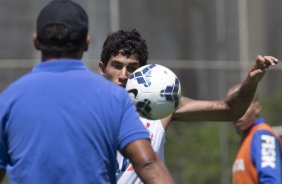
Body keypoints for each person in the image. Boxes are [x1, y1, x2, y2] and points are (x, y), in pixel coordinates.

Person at [0, 1, 175, 184]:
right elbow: (147, 164)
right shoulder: (113, 98)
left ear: (36, 40)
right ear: (86, 43)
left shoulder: (8, 101)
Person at [98, 29, 279, 183]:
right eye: (116, 66)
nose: (123, 75)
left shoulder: (161, 106)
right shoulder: (89, 109)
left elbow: (231, 110)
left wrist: (251, 82)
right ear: (102, 69)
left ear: (141, 72)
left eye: (131, 68)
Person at [227, 84, 282, 184]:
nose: (237, 112)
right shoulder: (248, 137)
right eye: (231, 107)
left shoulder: (263, 136)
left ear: (256, 107)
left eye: (243, 105)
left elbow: (272, 181)